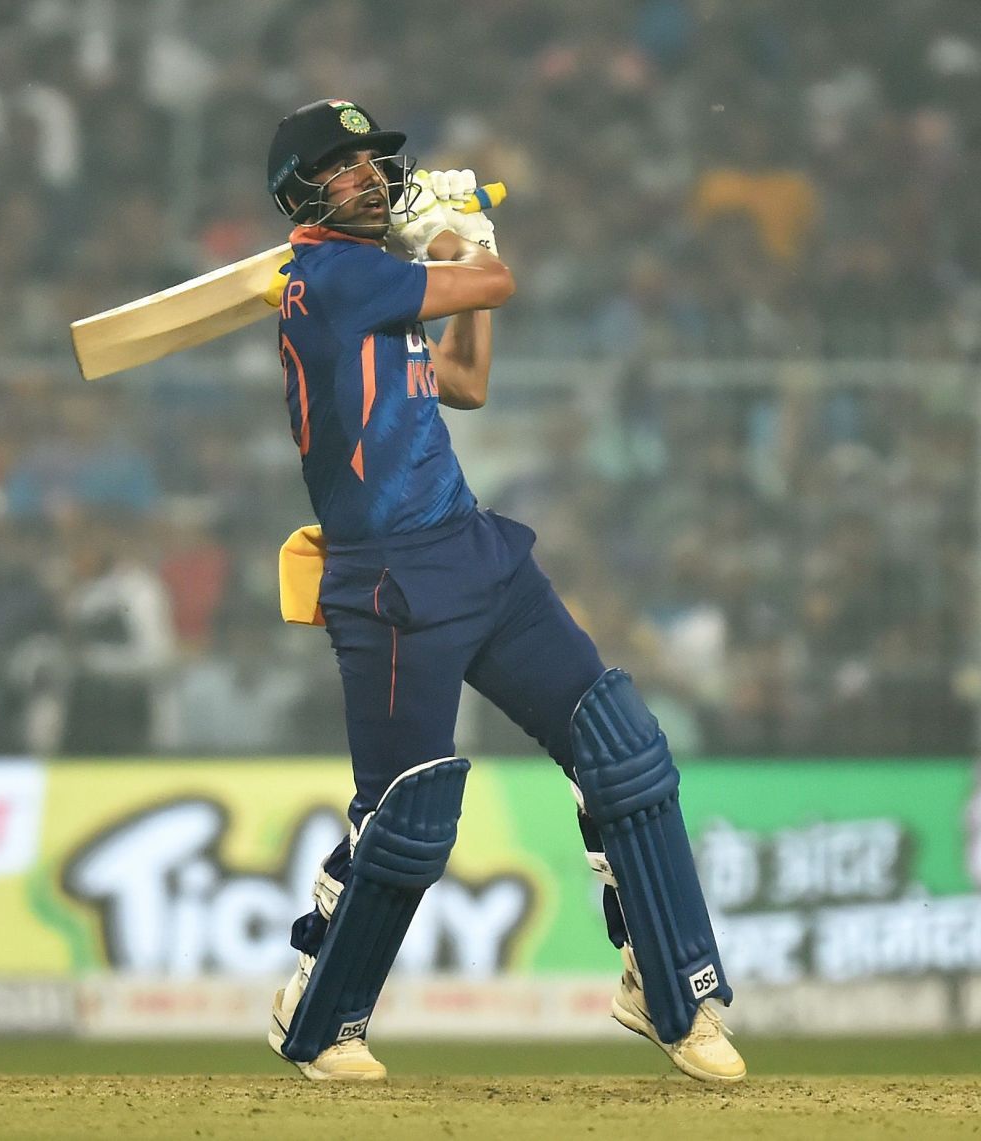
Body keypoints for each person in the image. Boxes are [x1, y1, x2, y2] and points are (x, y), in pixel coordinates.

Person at [262, 100, 744, 1083]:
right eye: (344, 166)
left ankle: (664, 983)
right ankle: (316, 1005)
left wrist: (453, 259)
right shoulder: (331, 278)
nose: (368, 176)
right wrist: (466, 242)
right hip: (392, 576)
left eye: (373, 162)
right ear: (301, 190)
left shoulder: (381, 289)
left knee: (622, 748)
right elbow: (498, 278)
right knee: (406, 813)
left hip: (476, 550)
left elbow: (467, 380)